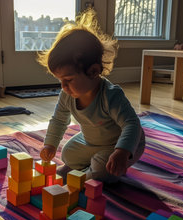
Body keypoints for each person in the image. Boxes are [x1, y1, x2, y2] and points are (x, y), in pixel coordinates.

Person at [37, 8, 145, 183]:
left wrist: (122, 152)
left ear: (93, 71)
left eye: (69, 79)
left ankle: (86, 177)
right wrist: (50, 144)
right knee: (68, 154)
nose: (63, 86)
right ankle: (85, 170)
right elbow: (58, 120)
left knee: (102, 171)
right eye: (60, 80)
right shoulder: (67, 95)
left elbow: (132, 125)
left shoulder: (110, 95)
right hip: (91, 143)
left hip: (121, 145)